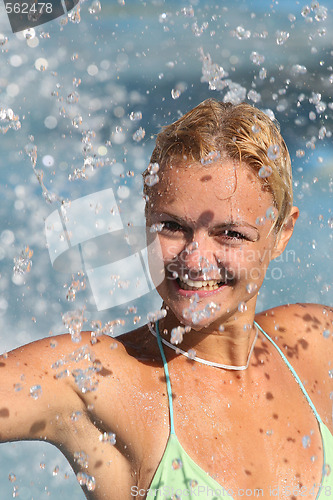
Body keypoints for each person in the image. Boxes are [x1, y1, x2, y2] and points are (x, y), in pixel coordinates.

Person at [0, 98, 332, 500]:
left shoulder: (316, 344)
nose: (193, 260)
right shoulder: (105, 381)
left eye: (230, 234)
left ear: (282, 233)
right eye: (172, 226)